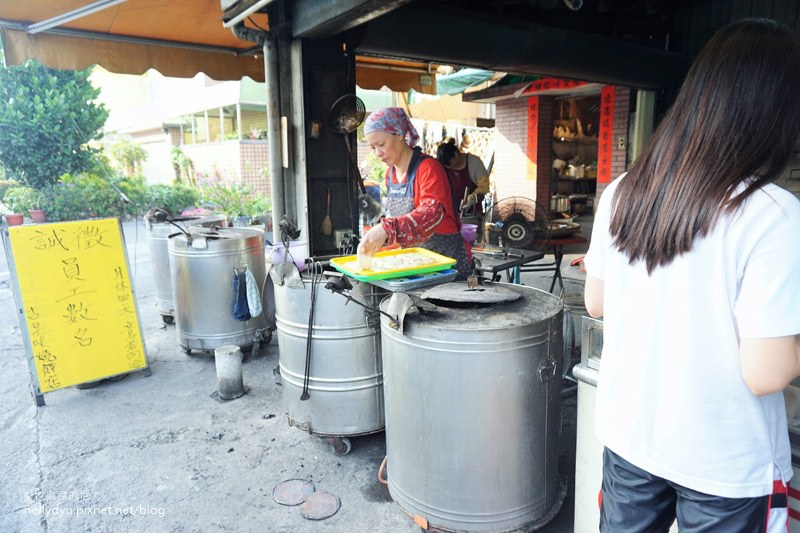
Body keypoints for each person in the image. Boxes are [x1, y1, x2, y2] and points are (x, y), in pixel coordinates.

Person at [583, 18, 800, 532]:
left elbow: (597, 302)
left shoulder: (624, 191)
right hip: (723, 461)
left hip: (632, 437)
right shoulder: (772, 213)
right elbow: (767, 372)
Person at [357, 107, 473, 280]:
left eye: (381, 145)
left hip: (448, 265)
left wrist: (387, 229)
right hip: (416, 267)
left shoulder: (428, 168)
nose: (377, 153)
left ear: (399, 134)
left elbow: (430, 214)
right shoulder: (390, 174)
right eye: (373, 147)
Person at [436, 138, 489, 215]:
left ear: (456, 155)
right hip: (451, 214)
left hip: (473, 214)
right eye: (446, 166)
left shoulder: (474, 163)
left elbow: (485, 186)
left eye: (450, 164)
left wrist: (472, 198)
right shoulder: (444, 168)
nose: (449, 167)